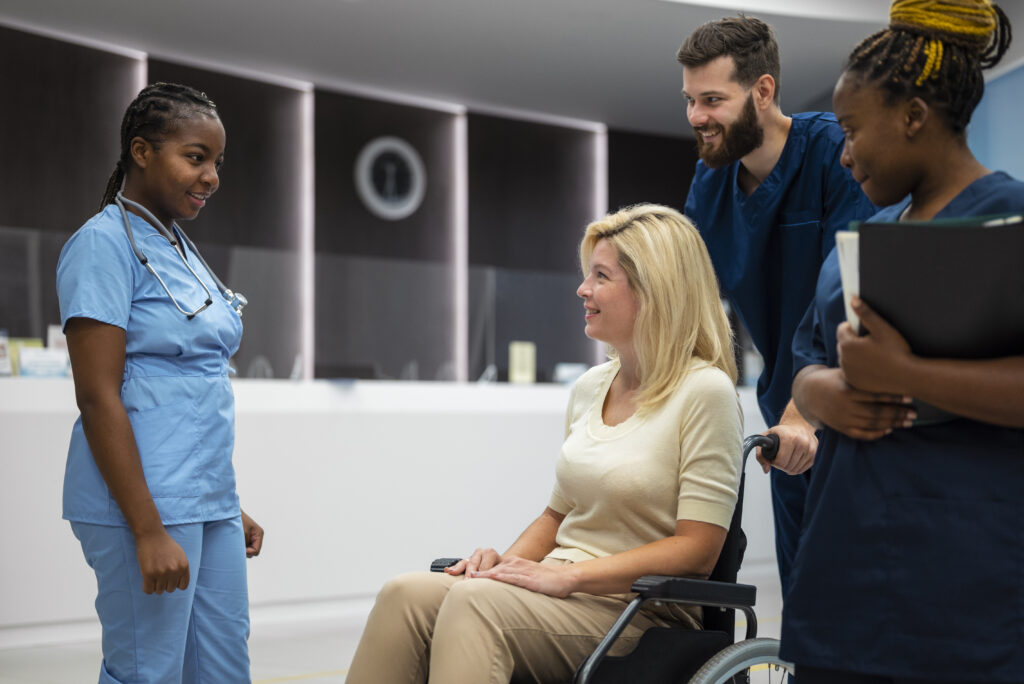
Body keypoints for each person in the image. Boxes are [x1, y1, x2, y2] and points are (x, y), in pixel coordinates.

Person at [345, 205, 743, 683]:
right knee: (403, 595)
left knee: (477, 606)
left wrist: (569, 577)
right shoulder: (591, 388)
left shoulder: (706, 392)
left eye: (600, 276)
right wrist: (505, 567)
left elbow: (697, 551)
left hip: (639, 609)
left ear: (653, 291)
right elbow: (557, 517)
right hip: (564, 591)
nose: (583, 289)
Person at [781, 1, 1023, 681]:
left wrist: (907, 373)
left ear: (913, 116)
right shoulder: (859, 243)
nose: (846, 153)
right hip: (844, 577)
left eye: (854, 130)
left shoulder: (1010, 219)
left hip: (967, 590)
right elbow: (807, 361)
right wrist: (824, 393)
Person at [57, 82, 264, 684]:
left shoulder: (178, 245)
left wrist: (224, 500)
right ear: (141, 152)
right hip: (140, 503)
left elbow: (188, 392)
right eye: (195, 157)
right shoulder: (100, 246)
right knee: (149, 671)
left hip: (203, 497)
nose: (211, 177)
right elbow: (98, 396)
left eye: (217, 163)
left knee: (225, 667)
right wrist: (147, 527)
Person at [676, 15, 878, 596]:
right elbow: (691, 306)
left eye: (712, 99)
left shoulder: (835, 155)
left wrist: (802, 411)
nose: (696, 117)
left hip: (848, 410)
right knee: (807, 600)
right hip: (786, 429)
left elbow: (850, 296)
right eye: (690, 100)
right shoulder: (710, 185)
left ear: (763, 92)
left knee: (867, 603)